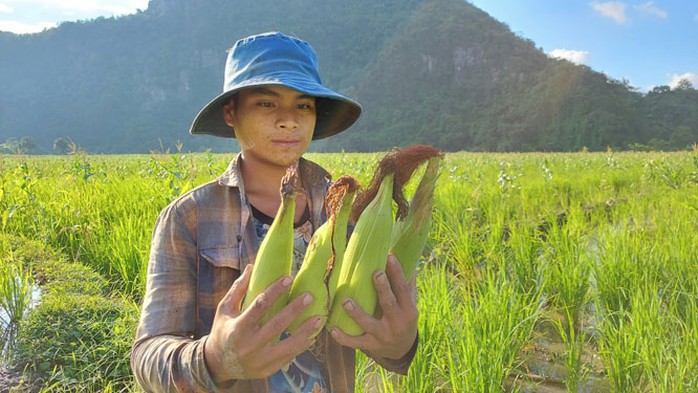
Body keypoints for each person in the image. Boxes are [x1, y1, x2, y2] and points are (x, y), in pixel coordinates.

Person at [131, 31, 418, 393]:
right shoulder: (189, 218)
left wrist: (401, 346)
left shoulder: (348, 212)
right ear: (231, 112)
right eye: (267, 104)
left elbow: (379, 327)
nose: (288, 120)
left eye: (303, 105)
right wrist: (215, 359)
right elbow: (147, 356)